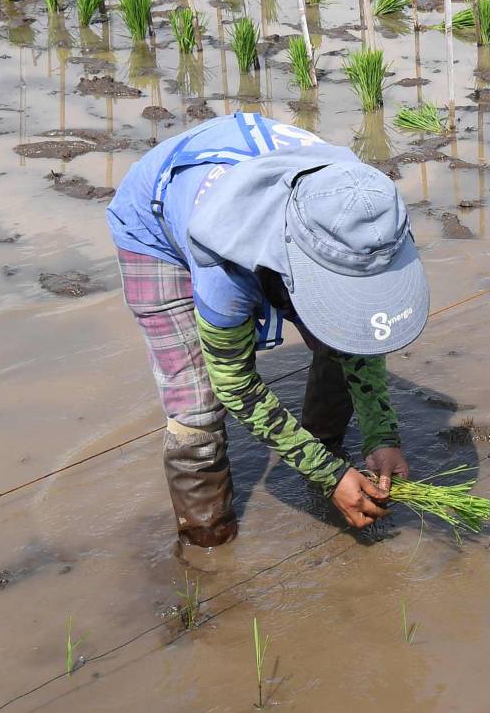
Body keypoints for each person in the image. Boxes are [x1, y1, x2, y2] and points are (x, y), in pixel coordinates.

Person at [105, 113, 430, 566]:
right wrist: (327, 473)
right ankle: (208, 547)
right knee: (196, 406)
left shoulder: (363, 213)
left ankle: (327, 452)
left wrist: (381, 434)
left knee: (340, 331)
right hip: (156, 222)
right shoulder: (223, 262)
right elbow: (234, 384)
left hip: (273, 199)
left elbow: (361, 331)